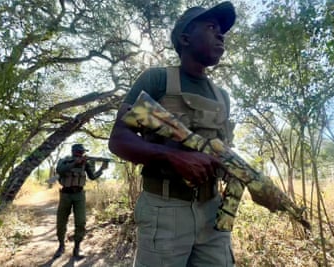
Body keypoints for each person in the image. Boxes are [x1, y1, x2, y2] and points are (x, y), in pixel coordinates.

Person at [108, 2, 237, 266]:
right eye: (211, 27)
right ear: (185, 38)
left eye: (222, 29)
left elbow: (223, 148)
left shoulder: (222, 96)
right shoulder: (156, 80)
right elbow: (118, 139)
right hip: (164, 209)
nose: (221, 34)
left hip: (213, 211)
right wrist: (173, 157)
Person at [53, 143, 108, 260]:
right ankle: (61, 246)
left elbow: (92, 177)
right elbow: (60, 170)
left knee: (81, 222)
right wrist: (75, 163)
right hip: (65, 194)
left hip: (79, 195)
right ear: (76, 151)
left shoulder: (85, 163)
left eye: (82, 152)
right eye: (80, 152)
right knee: (61, 222)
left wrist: (102, 169)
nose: (82, 154)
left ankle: (77, 248)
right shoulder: (64, 160)